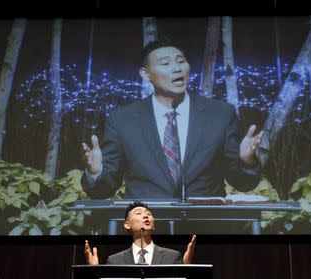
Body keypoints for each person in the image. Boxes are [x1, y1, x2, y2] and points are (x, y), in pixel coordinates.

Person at [81, 38, 263, 199]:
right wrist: (95, 172)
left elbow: (243, 184)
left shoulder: (220, 114)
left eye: (181, 62)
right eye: (165, 64)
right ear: (145, 74)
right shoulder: (122, 120)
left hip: (205, 223)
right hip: (147, 228)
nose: (177, 69)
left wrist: (247, 162)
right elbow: (103, 191)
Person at [84, 201, 197, 265]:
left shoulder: (172, 256)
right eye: (138, 213)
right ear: (127, 224)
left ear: (153, 226)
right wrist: (94, 270)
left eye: (149, 214)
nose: (145, 215)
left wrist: (186, 267)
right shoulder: (115, 260)